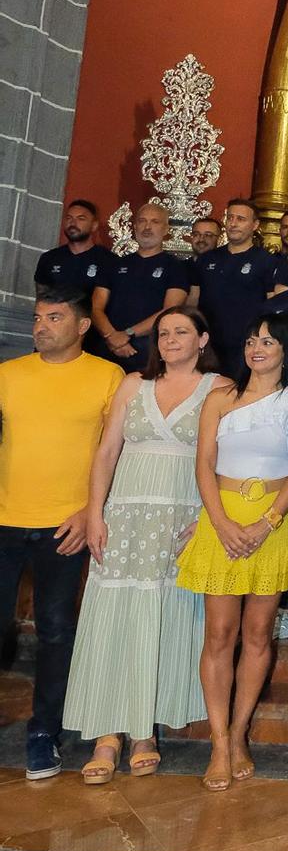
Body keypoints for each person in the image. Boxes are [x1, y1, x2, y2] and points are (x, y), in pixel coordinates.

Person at [64, 307, 225, 782]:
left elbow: (221, 460)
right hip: (125, 517)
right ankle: (106, 733)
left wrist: (207, 522)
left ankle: (144, 732)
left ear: (202, 339)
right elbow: (107, 450)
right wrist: (95, 512)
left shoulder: (218, 388)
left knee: (163, 616)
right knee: (114, 616)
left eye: (181, 332)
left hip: (180, 519)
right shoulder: (133, 384)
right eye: (164, 333)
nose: (171, 339)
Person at [178, 313, 288, 791]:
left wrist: (266, 522)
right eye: (252, 339)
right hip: (221, 520)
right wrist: (223, 523)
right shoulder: (220, 398)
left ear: (285, 350)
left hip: (273, 521)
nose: (257, 348)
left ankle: (238, 734)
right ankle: (216, 741)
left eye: (268, 341)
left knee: (257, 634)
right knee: (219, 633)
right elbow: (204, 464)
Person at [0, 288, 123, 780]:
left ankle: (43, 733)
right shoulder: (8, 374)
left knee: (54, 631)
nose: (41, 326)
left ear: (82, 326)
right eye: (37, 318)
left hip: (64, 525)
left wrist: (90, 510)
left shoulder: (107, 376)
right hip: (5, 520)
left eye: (54, 317)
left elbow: (118, 452)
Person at [91, 203, 190, 369]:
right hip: (108, 346)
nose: (147, 227)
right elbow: (96, 307)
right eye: (142, 221)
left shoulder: (176, 268)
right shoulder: (114, 265)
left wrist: (128, 334)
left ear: (166, 229)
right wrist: (112, 336)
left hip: (150, 350)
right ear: (135, 226)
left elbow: (170, 310)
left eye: (155, 222)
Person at [193, 198, 284, 378]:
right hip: (208, 345)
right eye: (230, 218)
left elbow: (272, 305)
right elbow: (193, 301)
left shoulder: (267, 260)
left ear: (255, 224)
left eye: (241, 219)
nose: (233, 224)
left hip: (244, 346)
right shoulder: (206, 259)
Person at [34, 199, 114, 297]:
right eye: (69, 218)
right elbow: (42, 299)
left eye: (81, 219)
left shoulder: (108, 261)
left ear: (94, 225)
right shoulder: (49, 259)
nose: (73, 223)